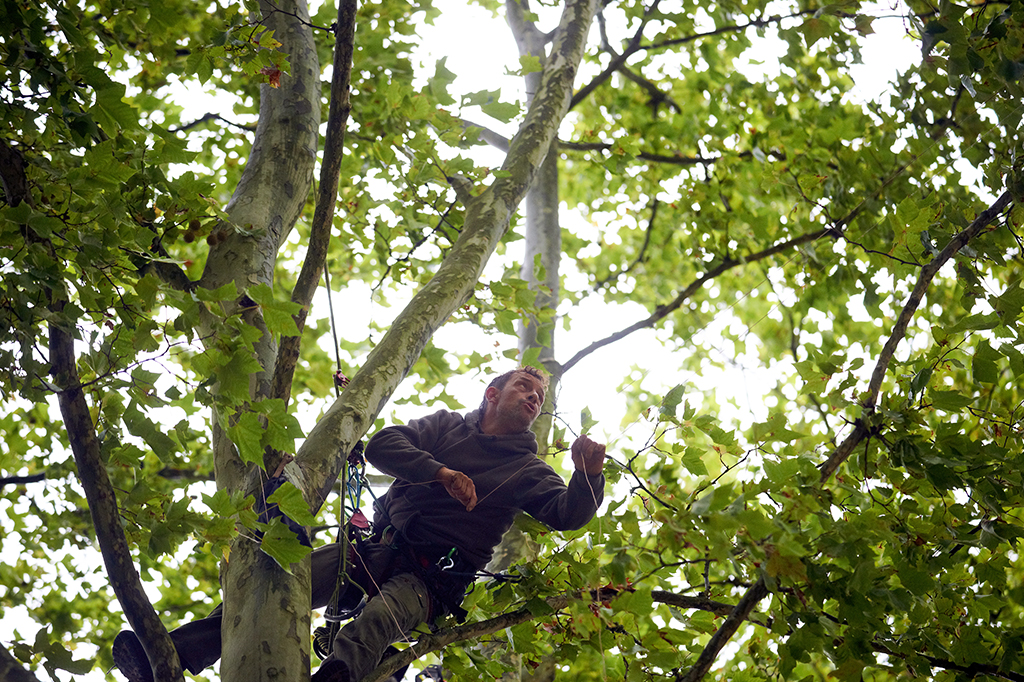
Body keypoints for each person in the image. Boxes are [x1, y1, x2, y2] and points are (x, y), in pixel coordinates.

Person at [112, 366, 606, 682]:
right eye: (524, 386)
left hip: (431, 578)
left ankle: (335, 680)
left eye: (540, 396)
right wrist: (442, 473)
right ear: (492, 394)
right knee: (282, 578)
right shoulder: (445, 426)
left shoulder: (527, 469)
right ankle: (170, 654)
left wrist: (588, 476)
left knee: (376, 624)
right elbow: (385, 445)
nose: (534, 397)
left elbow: (568, 514)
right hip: (374, 548)